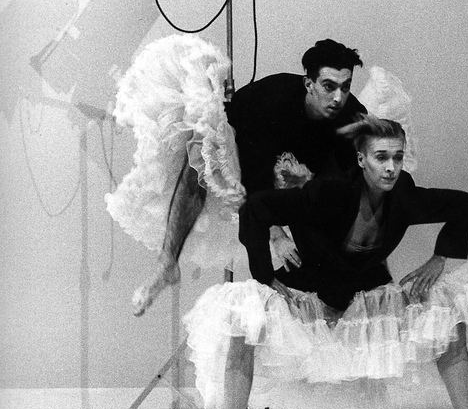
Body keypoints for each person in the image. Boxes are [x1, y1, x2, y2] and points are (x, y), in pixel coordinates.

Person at [182, 114, 468, 409]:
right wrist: (266, 276)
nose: (391, 168)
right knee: (243, 319)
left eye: (397, 157)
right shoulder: (329, 192)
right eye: (381, 157)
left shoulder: (403, 195)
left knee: (446, 312)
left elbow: (463, 205)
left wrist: (439, 260)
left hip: (359, 300)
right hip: (309, 296)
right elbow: (256, 209)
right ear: (361, 160)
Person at [106, 36, 368, 316]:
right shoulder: (275, 102)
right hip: (239, 144)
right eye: (329, 87)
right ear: (309, 84)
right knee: (200, 158)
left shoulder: (352, 114)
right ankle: (167, 262)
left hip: (294, 165)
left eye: (345, 87)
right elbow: (254, 176)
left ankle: (331, 293)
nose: (338, 97)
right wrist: (276, 236)